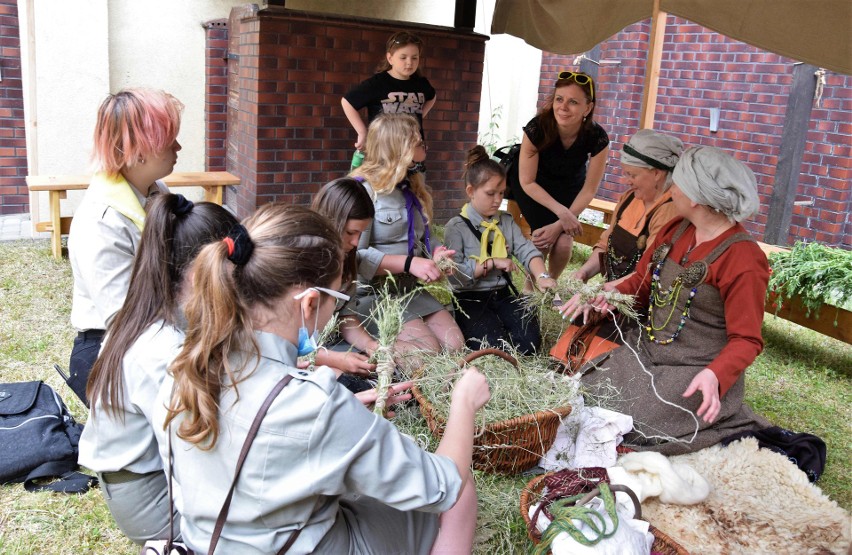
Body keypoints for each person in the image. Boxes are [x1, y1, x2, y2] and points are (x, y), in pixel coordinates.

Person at [157, 203, 490, 554]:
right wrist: (463, 402)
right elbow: (443, 484)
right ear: (310, 303)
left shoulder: (186, 366)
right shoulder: (313, 403)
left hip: (216, 543)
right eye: (338, 299)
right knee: (461, 492)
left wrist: (347, 413)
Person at [559, 146, 771, 455]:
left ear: (696, 197)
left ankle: (723, 415)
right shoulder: (677, 229)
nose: (672, 189)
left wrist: (715, 375)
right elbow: (642, 283)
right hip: (647, 349)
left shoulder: (743, 259)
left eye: (679, 183)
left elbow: (747, 340)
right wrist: (609, 294)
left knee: (635, 424)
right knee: (588, 393)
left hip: (695, 368)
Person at [79, 193, 238, 544]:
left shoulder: (156, 312)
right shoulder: (161, 351)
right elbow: (191, 459)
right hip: (149, 496)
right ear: (203, 274)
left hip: (144, 476)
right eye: (236, 271)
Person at [66, 88, 183, 406]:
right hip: (113, 348)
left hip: (156, 333)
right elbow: (124, 320)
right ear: (139, 151)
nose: (178, 147)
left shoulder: (153, 190)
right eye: (169, 141)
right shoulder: (102, 223)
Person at [348, 114, 464, 353]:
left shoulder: (411, 187)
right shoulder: (363, 191)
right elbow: (355, 256)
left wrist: (437, 254)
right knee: (427, 350)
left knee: (455, 345)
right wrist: (410, 263)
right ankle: (375, 361)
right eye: (419, 143)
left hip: (408, 291)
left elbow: (425, 237)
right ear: (399, 149)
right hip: (373, 295)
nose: (424, 148)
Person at [444, 145, 556, 354]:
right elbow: (455, 276)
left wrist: (541, 276)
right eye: (490, 193)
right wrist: (492, 262)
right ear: (471, 191)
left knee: (529, 344)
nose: (498, 200)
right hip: (470, 298)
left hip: (502, 293)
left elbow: (526, 250)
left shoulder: (505, 221)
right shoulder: (456, 227)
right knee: (493, 348)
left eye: (502, 192)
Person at [507, 71, 610, 283]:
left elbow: (589, 189)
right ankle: (529, 287)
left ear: (588, 108)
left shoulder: (597, 136)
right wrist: (562, 214)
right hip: (534, 186)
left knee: (563, 242)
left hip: (569, 186)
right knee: (543, 238)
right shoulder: (537, 128)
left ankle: (548, 285)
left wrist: (562, 221)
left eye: (573, 102)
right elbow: (527, 181)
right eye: (559, 99)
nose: (563, 107)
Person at [572, 129, 683, 284]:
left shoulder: (670, 211)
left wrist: (606, 293)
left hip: (640, 301)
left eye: (632, 175)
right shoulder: (629, 199)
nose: (626, 181)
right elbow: (606, 245)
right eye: (625, 174)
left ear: (657, 173)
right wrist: (584, 271)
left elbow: (649, 269)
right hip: (612, 293)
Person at [311, 177, 378, 389]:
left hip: (322, 348)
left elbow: (345, 317)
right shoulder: (301, 262)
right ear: (331, 221)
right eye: (350, 233)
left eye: (361, 233)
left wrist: (370, 345)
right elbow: (288, 347)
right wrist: (334, 360)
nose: (356, 242)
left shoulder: (345, 258)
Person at [342, 30, 436, 153]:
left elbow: (432, 96)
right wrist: (362, 132)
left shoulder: (421, 83)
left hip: (412, 153)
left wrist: (418, 117)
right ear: (390, 58)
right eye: (403, 57)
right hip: (382, 152)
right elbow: (347, 102)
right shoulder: (377, 83)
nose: (409, 62)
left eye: (414, 58)